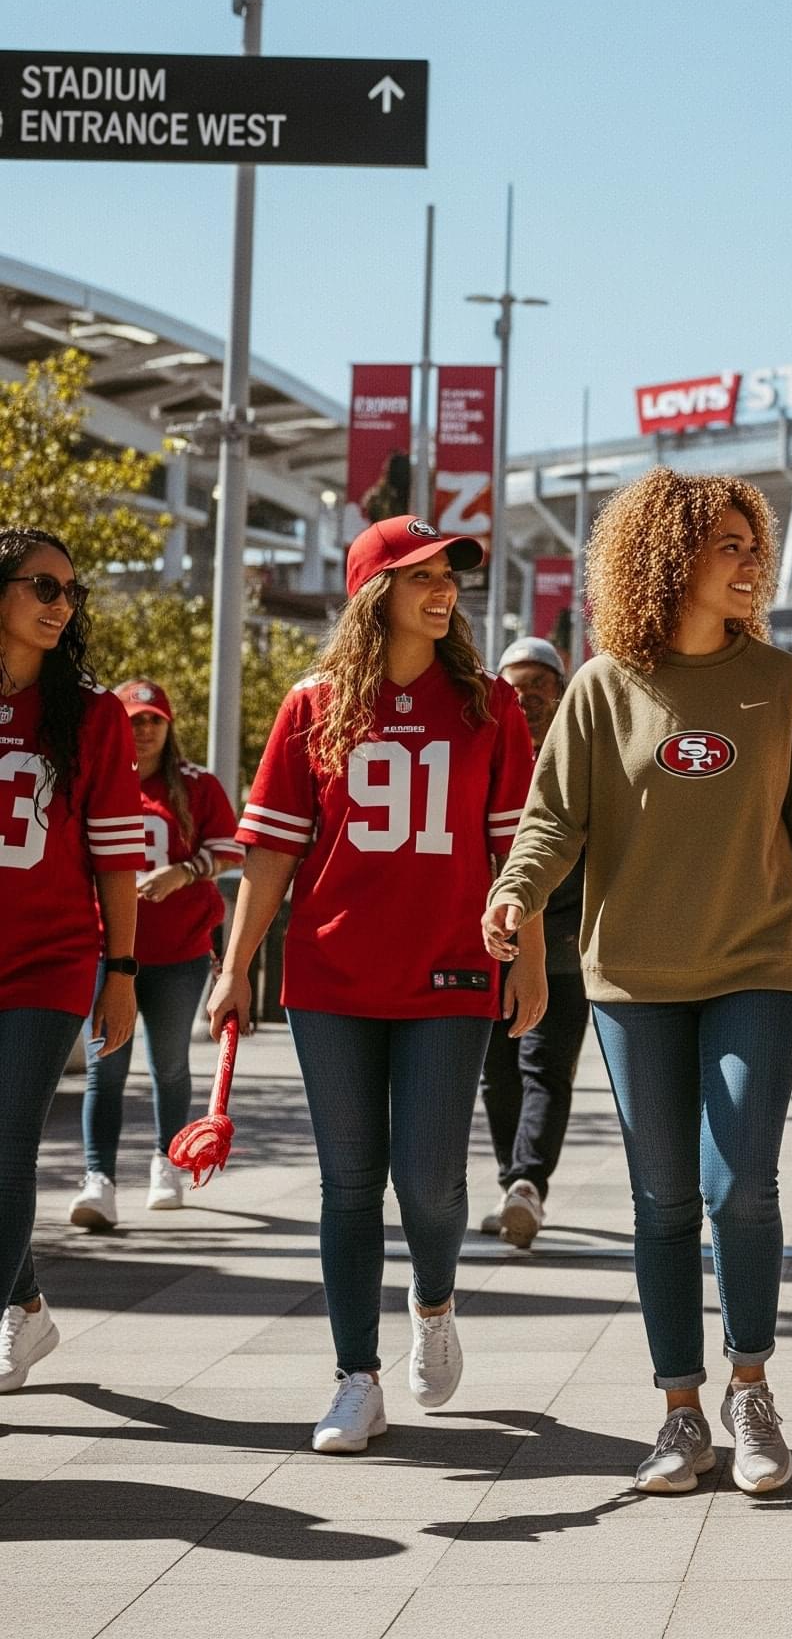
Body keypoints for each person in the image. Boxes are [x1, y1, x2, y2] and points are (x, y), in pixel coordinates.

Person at [485, 471, 792, 1499]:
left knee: (738, 1184)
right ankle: (679, 1412)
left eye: (753, 544)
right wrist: (517, 892)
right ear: (668, 558)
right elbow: (552, 820)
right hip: (633, 977)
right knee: (660, 1200)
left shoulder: (781, 684)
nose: (750, 562)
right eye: (727, 545)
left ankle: (750, 1388)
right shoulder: (602, 687)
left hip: (760, 965)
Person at [211, 517, 543, 1455]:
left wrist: (526, 959)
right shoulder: (311, 705)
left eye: (448, 575)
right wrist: (234, 971)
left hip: (450, 969)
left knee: (429, 1181)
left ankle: (433, 1303)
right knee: (349, 1184)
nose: (443, 589)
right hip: (330, 976)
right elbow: (271, 853)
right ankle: (355, 1377)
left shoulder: (490, 705)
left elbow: (517, 850)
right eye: (420, 574)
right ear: (372, 592)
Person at [0, 529, 145, 1393]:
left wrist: (120, 972)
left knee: (9, 1142)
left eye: (71, 592)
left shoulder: (93, 713)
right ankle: (27, 1306)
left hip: (47, 963)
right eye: (43, 587)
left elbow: (117, 859)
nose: (62, 605)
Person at [69, 680, 243, 1230]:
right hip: (106, 949)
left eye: (153, 720)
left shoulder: (196, 785)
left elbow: (232, 849)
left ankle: (168, 1162)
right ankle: (98, 1178)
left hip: (178, 952)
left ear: (169, 727)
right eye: (133, 720)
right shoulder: (97, 776)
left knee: (169, 1064)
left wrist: (185, 872)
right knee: (105, 1068)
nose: (143, 730)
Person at [478, 636, 590, 1249]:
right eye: (514, 687)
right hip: (491, 940)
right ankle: (514, 1184)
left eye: (539, 685)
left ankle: (527, 1183)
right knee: (497, 1074)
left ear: (560, 691)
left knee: (544, 1067)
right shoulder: (481, 750)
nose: (526, 698)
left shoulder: (582, 752)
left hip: (563, 942)